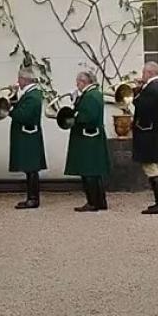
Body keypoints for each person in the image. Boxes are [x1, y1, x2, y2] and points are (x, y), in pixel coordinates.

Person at [64, 70, 110, 212]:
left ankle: (93, 202)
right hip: (92, 137)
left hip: (88, 137)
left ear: (83, 82)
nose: (77, 85)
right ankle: (100, 201)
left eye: (78, 82)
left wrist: (73, 112)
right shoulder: (94, 94)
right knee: (95, 172)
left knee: (88, 171)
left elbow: (87, 117)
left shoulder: (90, 96)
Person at [133, 61, 158, 215]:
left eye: (144, 73)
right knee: (155, 168)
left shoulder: (152, 89)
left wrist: (137, 92)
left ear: (150, 73)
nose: (142, 75)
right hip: (153, 132)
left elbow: (141, 106)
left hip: (147, 133)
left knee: (152, 169)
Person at [9, 65, 47, 209]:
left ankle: (33, 199)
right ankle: (31, 197)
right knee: (29, 169)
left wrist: (10, 110)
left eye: (19, 79)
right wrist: (13, 95)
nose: (18, 82)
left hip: (28, 135)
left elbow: (24, 115)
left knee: (31, 168)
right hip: (27, 135)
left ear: (24, 79)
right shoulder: (29, 94)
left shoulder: (33, 96)